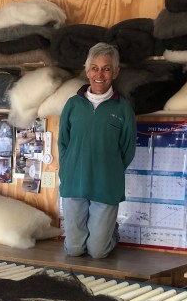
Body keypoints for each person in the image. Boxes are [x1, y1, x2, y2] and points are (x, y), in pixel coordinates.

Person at [58, 42, 136, 258]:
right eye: (94, 68)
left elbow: (127, 149)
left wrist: (110, 170)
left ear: (116, 72)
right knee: (74, 250)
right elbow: (63, 143)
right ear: (87, 71)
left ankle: (111, 232)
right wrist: (68, 170)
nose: (99, 74)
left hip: (106, 186)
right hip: (74, 184)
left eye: (106, 68)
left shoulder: (123, 108)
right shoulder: (72, 104)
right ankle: (94, 234)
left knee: (98, 251)